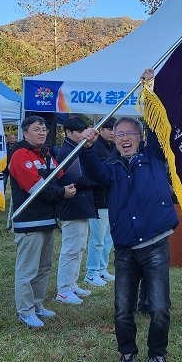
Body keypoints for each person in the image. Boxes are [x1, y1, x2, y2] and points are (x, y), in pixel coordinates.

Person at [81, 69, 179, 362]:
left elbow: (160, 127)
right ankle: (127, 353)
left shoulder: (154, 155)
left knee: (160, 307)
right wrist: (85, 146)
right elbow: (94, 173)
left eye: (130, 134)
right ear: (114, 139)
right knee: (122, 309)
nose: (124, 138)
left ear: (139, 138)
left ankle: (157, 356)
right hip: (125, 249)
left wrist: (149, 90)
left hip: (155, 245)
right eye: (119, 134)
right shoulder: (110, 166)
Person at [9, 115, 76, 329]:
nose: (42, 133)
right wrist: (62, 193)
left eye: (44, 129)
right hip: (29, 222)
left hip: (48, 220)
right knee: (27, 270)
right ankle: (25, 311)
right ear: (25, 132)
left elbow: (61, 174)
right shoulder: (20, 155)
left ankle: (37, 305)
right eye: (37, 129)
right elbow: (36, 188)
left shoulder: (46, 154)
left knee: (44, 267)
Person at [53, 116, 97, 305]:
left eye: (83, 130)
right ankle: (63, 290)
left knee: (79, 248)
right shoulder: (66, 152)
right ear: (68, 132)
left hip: (83, 205)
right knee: (71, 249)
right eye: (78, 131)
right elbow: (76, 179)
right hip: (73, 206)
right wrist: (98, 179)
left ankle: (71, 284)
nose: (82, 134)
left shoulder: (78, 149)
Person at [84, 116, 117, 287]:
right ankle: (91, 272)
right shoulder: (94, 148)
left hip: (111, 200)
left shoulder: (113, 147)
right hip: (98, 201)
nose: (113, 133)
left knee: (108, 238)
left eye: (115, 129)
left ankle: (102, 268)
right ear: (101, 130)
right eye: (110, 129)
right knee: (97, 239)